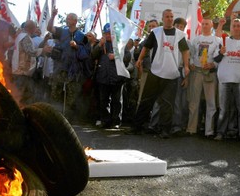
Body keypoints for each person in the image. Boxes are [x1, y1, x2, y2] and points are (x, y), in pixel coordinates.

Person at [130, 9, 190, 138]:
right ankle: (137, 127)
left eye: (171, 17)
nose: (169, 18)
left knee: (167, 104)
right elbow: (146, 47)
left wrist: (186, 66)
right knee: (146, 100)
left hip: (172, 73)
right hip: (155, 71)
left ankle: (164, 130)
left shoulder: (180, 35)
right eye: (167, 16)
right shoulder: (155, 32)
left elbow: (185, 51)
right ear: (163, 18)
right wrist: (140, 59)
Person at [214, 17, 240, 143]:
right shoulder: (223, 41)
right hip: (225, 79)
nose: (236, 28)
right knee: (223, 108)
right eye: (234, 26)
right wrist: (221, 53)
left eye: (238, 26)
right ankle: (221, 132)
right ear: (231, 28)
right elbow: (215, 59)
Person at [46, 8, 89, 121]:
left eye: (69, 18)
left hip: (74, 71)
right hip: (60, 68)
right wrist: (53, 16)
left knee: (71, 96)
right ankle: (55, 118)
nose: (67, 20)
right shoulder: (62, 32)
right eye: (67, 18)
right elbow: (49, 28)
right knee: (56, 93)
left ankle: (68, 120)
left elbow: (86, 54)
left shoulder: (82, 36)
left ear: (75, 21)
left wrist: (77, 47)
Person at [186, 18, 222, 138]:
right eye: (204, 24)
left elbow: (219, 57)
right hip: (196, 71)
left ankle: (209, 131)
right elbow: (191, 54)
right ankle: (191, 128)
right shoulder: (196, 39)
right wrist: (190, 62)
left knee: (211, 103)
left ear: (211, 26)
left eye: (207, 24)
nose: (205, 25)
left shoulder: (217, 40)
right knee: (193, 101)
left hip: (209, 73)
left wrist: (213, 64)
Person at [92, 23, 131, 129]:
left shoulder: (120, 44)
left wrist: (116, 56)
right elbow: (93, 55)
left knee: (117, 101)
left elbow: (128, 56)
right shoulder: (101, 44)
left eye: (110, 33)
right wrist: (99, 45)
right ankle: (105, 120)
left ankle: (116, 121)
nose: (108, 35)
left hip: (117, 78)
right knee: (104, 100)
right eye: (106, 33)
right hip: (103, 77)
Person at [12, 20, 49, 107]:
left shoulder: (20, 36)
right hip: (22, 71)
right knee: (22, 94)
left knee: (22, 94)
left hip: (20, 71)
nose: (36, 29)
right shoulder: (25, 37)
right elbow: (30, 51)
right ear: (31, 28)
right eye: (35, 27)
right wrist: (43, 50)